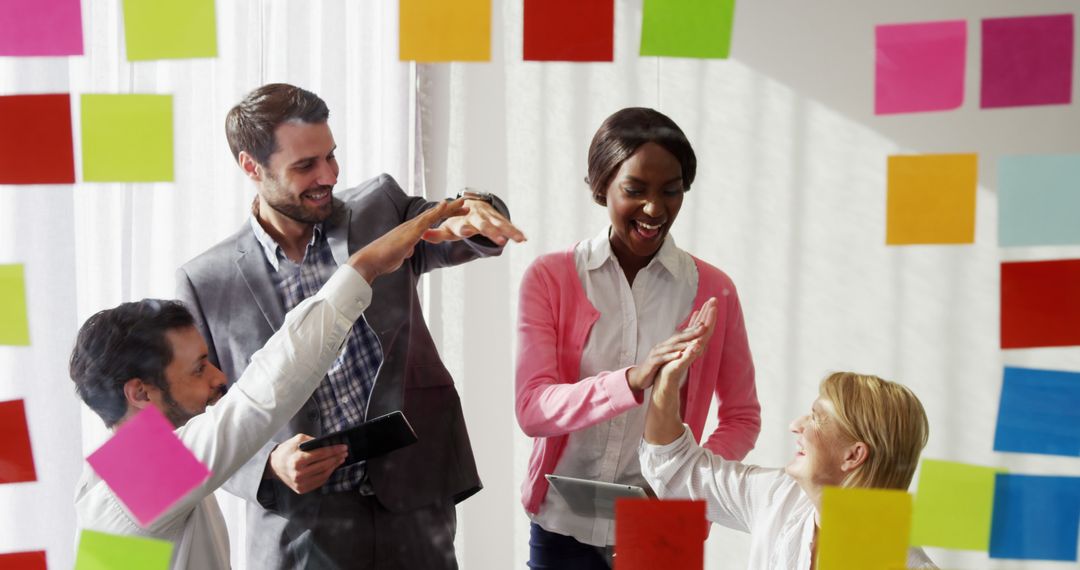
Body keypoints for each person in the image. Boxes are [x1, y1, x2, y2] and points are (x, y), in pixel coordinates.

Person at [175, 83, 525, 569]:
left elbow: (451, 225)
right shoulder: (205, 281)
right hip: (305, 529)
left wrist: (477, 211)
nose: (328, 176)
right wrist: (268, 465)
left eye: (331, 157)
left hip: (414, 500)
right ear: (251, 167)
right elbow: (191, 418)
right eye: (305, 166)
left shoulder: (380, 207)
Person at [72, 201, 464, 570]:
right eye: (198, 369)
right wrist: (364, 268)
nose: (219, 377)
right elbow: (260, 396)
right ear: (140, 393)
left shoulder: (126, 473)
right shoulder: (133, 486)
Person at [515, 107, 761, 568]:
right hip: (562, 527)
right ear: (601, 185)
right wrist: (630, 380)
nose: (655, 209)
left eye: (671, 191)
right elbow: (533, 408)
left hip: (663, 530)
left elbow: (742, 416)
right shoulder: (550, 278)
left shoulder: (714, 290)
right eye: (635, 190)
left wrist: (685, 477)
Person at [641, 330, 937, 570]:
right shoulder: (780, 497)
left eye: (816, 418)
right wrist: (667, 382)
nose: (796, 425)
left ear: (854, 455)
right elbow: (679, 469)